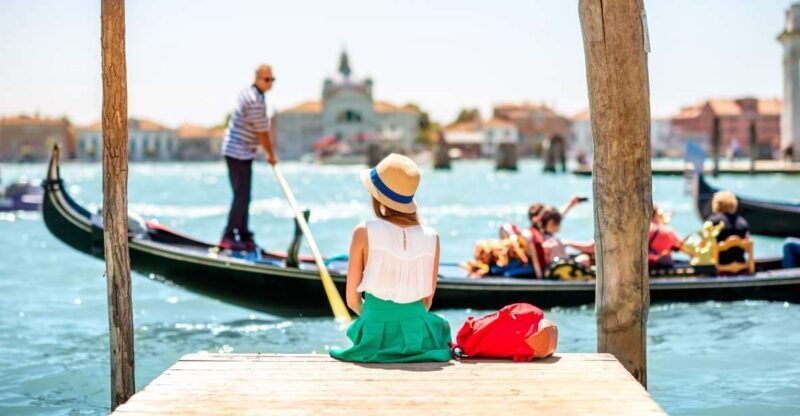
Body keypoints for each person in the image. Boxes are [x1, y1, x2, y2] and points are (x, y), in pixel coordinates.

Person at [330, 154, 452, 363]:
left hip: (375, 333)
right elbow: (427, 300)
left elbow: (352, 300)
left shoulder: (363, 231)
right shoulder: (433, 237)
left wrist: (377, 318)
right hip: (418, 333)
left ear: (376, 196)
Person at [219, 64, 279, 251]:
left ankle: (243, 234)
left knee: (243, 196)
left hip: (238, 152)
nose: (269, 83)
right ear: (257, 78)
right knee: (242, 196)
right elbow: (263, 132)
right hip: (238, 153)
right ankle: (229, 236)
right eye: (266, 79)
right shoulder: (255, 100)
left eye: (272, 80)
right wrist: (270, 155)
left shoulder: (251, 95)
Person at [706, 191, 750, 265]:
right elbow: (747, 247)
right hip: (740, 265)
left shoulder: (712, 221)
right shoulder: (743, 223)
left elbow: (707, 247)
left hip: (719, 266)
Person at [648, 205, 685, 269]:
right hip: (664, 266)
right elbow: (681, 245)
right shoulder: (667, 230)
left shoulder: (642, 230)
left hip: (646, 265)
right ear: (657, 214)